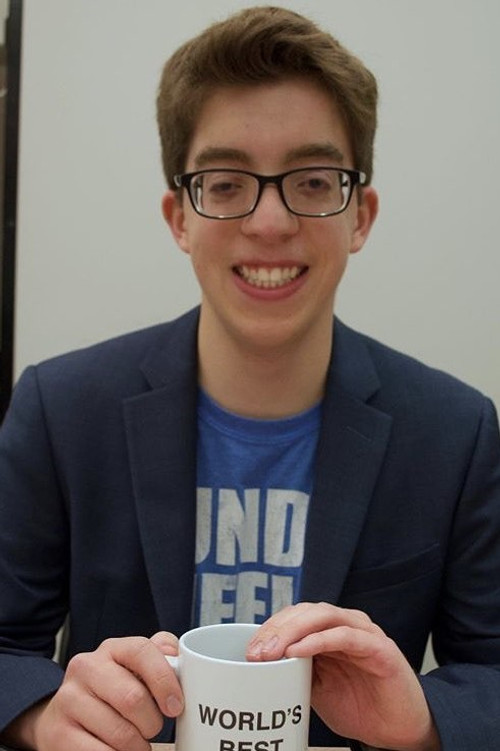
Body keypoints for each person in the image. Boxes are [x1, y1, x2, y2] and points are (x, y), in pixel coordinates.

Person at [1, 5, 499, 750]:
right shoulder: (60, 409)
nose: (269, 223)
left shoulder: (454, 431)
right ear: (180, 217)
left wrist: (426, 720)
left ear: (360, 215)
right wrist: (42, 716)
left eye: (312, 180)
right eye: (227, 183)